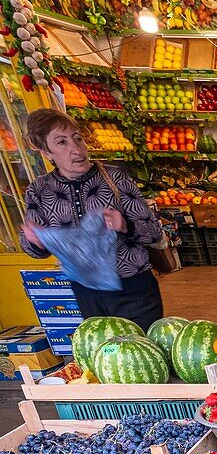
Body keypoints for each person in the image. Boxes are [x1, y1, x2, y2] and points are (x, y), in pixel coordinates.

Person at [19, 109, 165, 330]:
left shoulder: (115, 178)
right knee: (101, 356)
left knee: (141, 356)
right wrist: (36, 241)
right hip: (87, 295)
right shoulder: (40, 191)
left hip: (135, 292)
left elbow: (154, 233)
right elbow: (34, 250)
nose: (76, 149)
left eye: (77, 138)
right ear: (46, 152)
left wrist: (125, 225)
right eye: (62, 143)